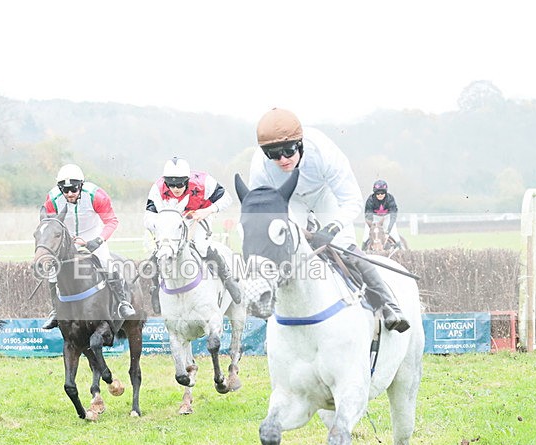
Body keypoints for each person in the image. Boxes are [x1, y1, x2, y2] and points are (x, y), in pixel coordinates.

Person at [248, 108, 409, 332]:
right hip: (289, 200)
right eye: (273, 154)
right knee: (285, 247)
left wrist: (331, 229)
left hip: (325, 194)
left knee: (344, 246)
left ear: (300, 144)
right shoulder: (259, 167)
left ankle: (386, 303)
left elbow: (352, 200)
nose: (282, 159)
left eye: (288, 150)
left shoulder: (324, 152)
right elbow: (262, 212)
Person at [40, 163, 136, 329]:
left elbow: (111, 221)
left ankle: (123, 303)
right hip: (67, 237)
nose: (70, 194)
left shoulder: (96, 195)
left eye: (74, 190)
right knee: (52, 271)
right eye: (66, 190)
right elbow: (50, 225)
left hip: (93, 233)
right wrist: (66, 239)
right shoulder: (52, 199)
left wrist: (97, 241)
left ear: (81, 186)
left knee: (107, 262)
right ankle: (56, 310)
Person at [143, 157, 242, 313]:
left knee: (202, 246)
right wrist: (159, 227)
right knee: (161, 251)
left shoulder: (204, 182)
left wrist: (207, 211)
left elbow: (227, 198)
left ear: (187, 180)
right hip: (171, 220)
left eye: (180, 184)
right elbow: (148, 216)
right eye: (171, 184)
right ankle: (155, 289)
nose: (175, 188)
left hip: (199, 214)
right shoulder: (158, 188)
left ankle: (228, 280)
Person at [363, 179, 401, 248]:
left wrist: (388, 232)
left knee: (396, 238)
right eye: (377, 193)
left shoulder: (390, 199)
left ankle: (402, 252)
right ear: (374, 193)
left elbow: (393, 216)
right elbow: (368, 216)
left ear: (385, 193)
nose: (380, 195)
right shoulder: (370, 200)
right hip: (373, 219)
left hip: (387, 218)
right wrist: (373, 228)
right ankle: (362, 252)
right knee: (365, 238)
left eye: (382, 193)